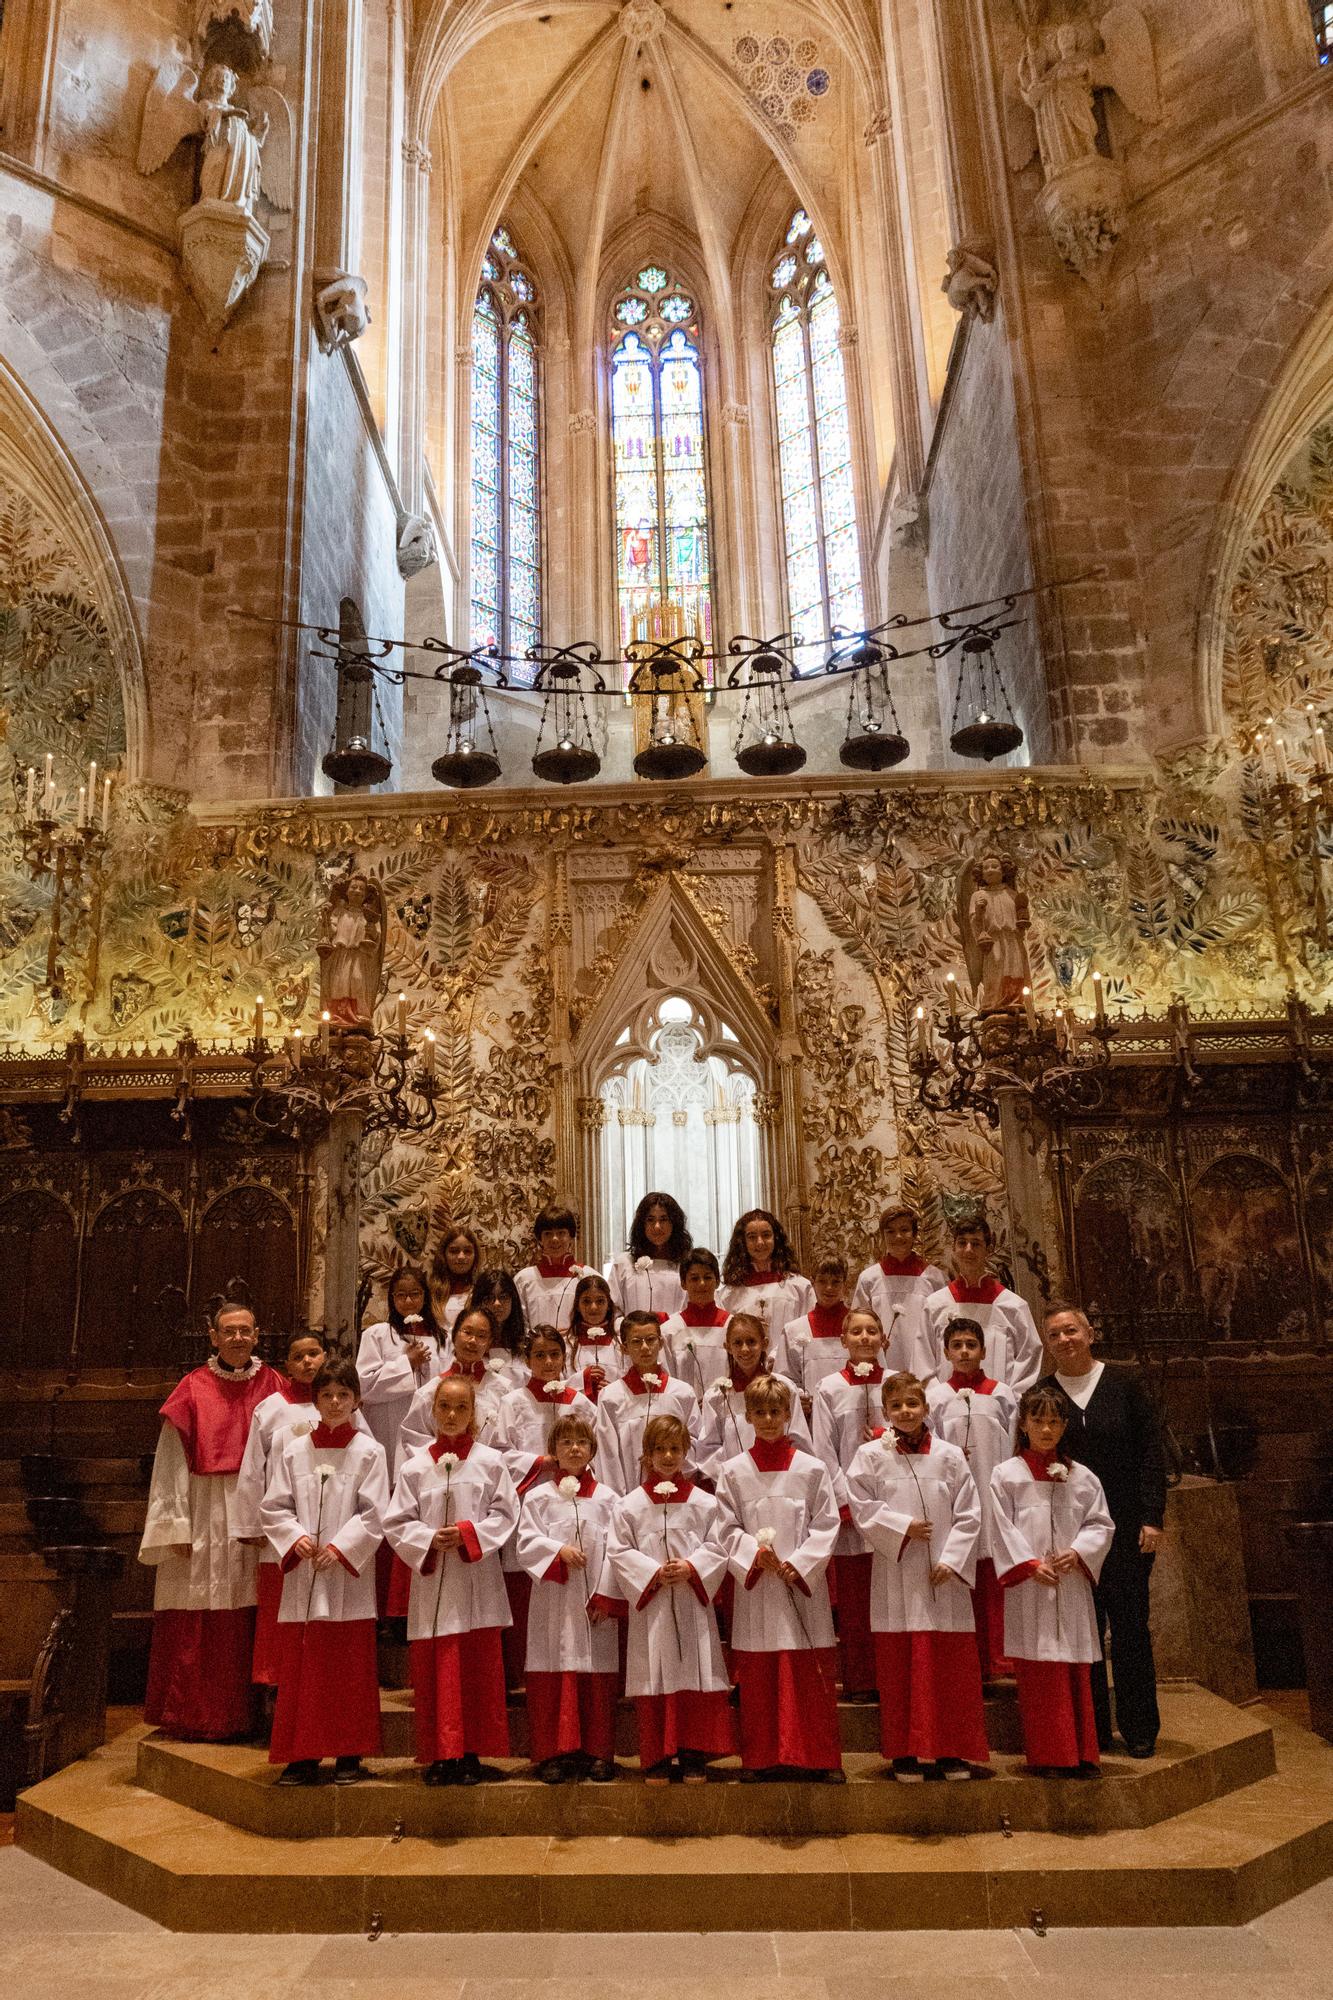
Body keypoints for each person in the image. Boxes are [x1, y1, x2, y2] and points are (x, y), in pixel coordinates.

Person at [138, 1302, 283, 1740]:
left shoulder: (275, 1385)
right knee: (201, 1611)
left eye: (245, 1331)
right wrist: (174, 1525)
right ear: (213, 1337)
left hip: (258, 1508)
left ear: (257, 1335)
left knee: (256, 1609)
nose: (237, 1338)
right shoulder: (192, 1387)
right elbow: (169, 1463)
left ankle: (253, 1714)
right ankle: (199, 1715)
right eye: (229, 1331)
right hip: (203, 1510)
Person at [846, 1372, 989, 1781]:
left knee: (949, 1668)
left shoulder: (949, 1455)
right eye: (897, 1406)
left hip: (943, 1577)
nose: (905, 1412)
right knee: (899, 1665)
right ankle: (905, 1753)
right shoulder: (872, 1455)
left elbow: (969, 1511)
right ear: (886, 1412)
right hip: (897, 1574)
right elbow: (861, 1505)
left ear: (926, 1408)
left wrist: (954, 1558)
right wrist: (902, 1527)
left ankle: (951, 1751)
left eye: (913, 1404)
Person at [1039, 1301, 1166, 1757]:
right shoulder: (1044, 1392)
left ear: (1090, 1333)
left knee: (1131, 1627)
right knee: (1084, 1630)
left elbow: (1152, 1450)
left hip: (1130, 1527)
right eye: (1054, 1335)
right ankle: (1092, 1729)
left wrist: (1153, 1516)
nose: (1064, 1340)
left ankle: (1139, 1728)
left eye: (1071, 1331)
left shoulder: (1125, 1383)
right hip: (1074, 1537)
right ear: (1046, 1344)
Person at [383, 1374, 519, 1785]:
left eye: (462, 1407)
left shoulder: (490, 1461)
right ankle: (441, 1756)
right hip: (436, 1581)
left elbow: (506, 1514)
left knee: (477, 1669)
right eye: (445, 1407)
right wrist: (427, 1538)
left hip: (477, 1578)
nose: (453, 1415)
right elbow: (396, 1522)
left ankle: (473, 1753)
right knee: (438, 1669)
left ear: (473, 1412)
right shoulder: (415, 1465)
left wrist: (467, 1535)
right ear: (432, 1411)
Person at [259, 1357, 388, 1786]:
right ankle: (303, 1754)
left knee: (349, 1666)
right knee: (305, 1667)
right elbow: (275, 1505)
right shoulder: (294, 1449)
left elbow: (375, 1513)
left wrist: (340, 1546)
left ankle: (350, 1754)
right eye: (327, 1395)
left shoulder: (369, 1452)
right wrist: (294, 1537)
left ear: (356, 1400)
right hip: (305, 1574)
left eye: (344, 1395)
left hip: (347, 1575)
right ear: (315, 1399)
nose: (335, 1403)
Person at [714, 1375, 842, 1783]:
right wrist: (755, 1554)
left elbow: (827, 1523)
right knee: (760, 1672)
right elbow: (725, 1527)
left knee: (807, 1670)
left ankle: (818, 1757)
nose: (768, 1420)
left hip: (801, 1585)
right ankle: (762, 1756)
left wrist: (800, 1562)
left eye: (776, 1412)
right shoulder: (733, 1471)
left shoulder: (812, 1468)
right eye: (760, 1413)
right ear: (747, 1416)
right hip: (759, 1588)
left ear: (789, 1414)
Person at [990, 1382, 1115, 1777]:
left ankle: (1082, 1754)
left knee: (1076, 1669)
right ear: (1023, 1424)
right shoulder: (1006, 1475)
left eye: (1055, 1422)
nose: (1046, 1430)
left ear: (1065, 1427)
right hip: (1032, 1586)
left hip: (1070, 1582)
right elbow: (1000, 1527)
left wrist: (1078, 1552)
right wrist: (1027, 1564)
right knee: (1041, 1671)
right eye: (1038, 1421)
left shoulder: (1083, 1477)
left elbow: (1100, 1523)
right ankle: (1050, 1756)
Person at [607, 1413, 736, 1783]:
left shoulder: (704, 1503)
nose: (667, 1456)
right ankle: (657, 1755)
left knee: (694, 1672)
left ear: (686, 1453)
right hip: (653, 1605)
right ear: (646, 1455)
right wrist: (652, 1572)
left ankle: (693, 1752)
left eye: (674, 1449)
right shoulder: (629, 1505)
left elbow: (718, 1544)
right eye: (659, 1449)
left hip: (692, 1601)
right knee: (656, 1674)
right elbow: (618, 1551)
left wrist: (693, 1567)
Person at [514, 1412, 624, 1782]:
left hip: (593, 1602)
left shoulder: (609, 1499)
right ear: (553, 1451)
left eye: (581, 1442)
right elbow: (526, 1543)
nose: (574, 1448)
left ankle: (597, 1751)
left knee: (596, 1672)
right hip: (554, 1601)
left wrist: (605, 1596)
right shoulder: (539, 1498)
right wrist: (556, 1551)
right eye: (565, 1442)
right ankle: (552, 1753)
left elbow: (620, 1550)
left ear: (593, 1450)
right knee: (553, 1667)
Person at [490, 1325, 596, 1690]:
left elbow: (594, 1450)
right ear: (527, 1359)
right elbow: (500, 1454)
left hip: (573, 1506)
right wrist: (542, 1462)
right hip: (529, 1501)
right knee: (525, 1582)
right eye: (540, 1356)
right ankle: (521, 1671)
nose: (548, 1362)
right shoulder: (513, 1402)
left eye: (555, 1354)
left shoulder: (579, 1403)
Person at [233, 1330, 333, 1693]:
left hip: (329, 1527)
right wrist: (251, 1523)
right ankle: (277, 1690)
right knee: (279, 1612)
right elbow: (252, 1467)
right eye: (299, 1356)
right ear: (287, 1365)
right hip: (282, 1530)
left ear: (326, 1356)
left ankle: (319, 1684)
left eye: (314, 1353)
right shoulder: (271, 1408)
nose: (308, 1362)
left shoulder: (341, 1404)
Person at [927, 1316, 1018, 1679]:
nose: (964, 1352)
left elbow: (1013, 1443)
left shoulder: (1001, 1393)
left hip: (993, 1488)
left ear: (982, 1350)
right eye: (957, 1345)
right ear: (946, 1352)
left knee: (995, 1573)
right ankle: (971, 1659)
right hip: (956, 1497)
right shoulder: (936, 1396)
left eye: (971, 1345)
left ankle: (1001, 1656)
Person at [810, 1305, 886, 1698]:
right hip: (851, 1511)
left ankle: (890, 1678)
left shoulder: (896, 1384)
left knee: (890, 1599)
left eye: (872, 1331)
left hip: (888, 1510)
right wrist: (846, 1502)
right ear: (843, 1340)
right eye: (856, 1332)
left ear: (884, 1339)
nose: (864, 1339)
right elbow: (824, 1451)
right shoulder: (829, 1388)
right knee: (856, 1605)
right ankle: (860, 1680)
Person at [922, 1215, 1042, 1391]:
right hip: (947, 1411)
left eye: (976, 1244)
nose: (968, 1250)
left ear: (988, 1249)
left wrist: (1009, 1403)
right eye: (962, 1243)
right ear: (953, 1248)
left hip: (999, 1411)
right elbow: (922, 1362)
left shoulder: (1013, 1306)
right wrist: (940, 1401)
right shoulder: (934, 1305)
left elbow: (1028, 1362)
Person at [694, 1312, 812, 1484]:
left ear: (764, 1344)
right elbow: (708, 1451)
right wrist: (736, 1474)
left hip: (783, 1478)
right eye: (737, 1343)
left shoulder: (783, 1387)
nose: (745, 1349)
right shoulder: (717, 1396)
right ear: (727, 1346)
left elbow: (799, 1438)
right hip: (737, 1481)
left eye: (751, 1342)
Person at [593, 1310, 698, 1495]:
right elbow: (607, 1455)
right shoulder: (611, 1397)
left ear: (661, 1343)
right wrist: (619, 1501)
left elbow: (696, 1444)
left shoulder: (681, 1393)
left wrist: (679, 1483)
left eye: (650, 1339)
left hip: (676, 1493)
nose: (644, 1347)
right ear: (624, 1348)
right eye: (636, 1341)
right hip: (630, 1498)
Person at [355, 1268, 446, 1471]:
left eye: (415, 1294)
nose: (408, 1301)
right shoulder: (377, 1334)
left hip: (428, 1425)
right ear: (392, 1298)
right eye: (401, 1295)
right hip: (388, 1426)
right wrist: (407, 1364)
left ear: (425, 1295)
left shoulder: (442, 1338)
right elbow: (363, 1385)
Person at [398, 1304, 509, 1471]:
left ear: (489, 1343)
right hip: (441, 1476)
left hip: (487, 1476)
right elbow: (414, 1437)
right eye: (467, 1332)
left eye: (481, 1335)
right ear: (454, 1334)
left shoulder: (504, 1390)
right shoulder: (430, 1391)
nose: (473, 1341)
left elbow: (509, 1443)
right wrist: (448, 1459)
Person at [851, 1206, 948, 1377]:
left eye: (904, 1230)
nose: (898, 1237)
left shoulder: (934, 1278)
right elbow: (857, 1324)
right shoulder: (869, 1279)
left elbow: (943, 1328)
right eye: (890, 1231)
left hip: (927, 1366)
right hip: (881, 1368)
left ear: (915, 1234)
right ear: (883, 1235)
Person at [718, 1207, 815, 1343]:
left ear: (776, 1238)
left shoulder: (799, 1287)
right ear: (743, 1242)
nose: (760, 1242)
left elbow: (806, 1332)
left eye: (766, 1235)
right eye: (752, 1237)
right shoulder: (729, 1295)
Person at [774, 1253, 853, 1410]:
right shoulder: (794, 1330)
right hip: (812, 1416)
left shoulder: (858, 1327)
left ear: (845, 1283)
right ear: (812, 1282)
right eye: (822, 1281)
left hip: (852, 1410)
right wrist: (797, 1398)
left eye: (836, 1282)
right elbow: (783, 1378)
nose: (829, 1288)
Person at [660, 1249, 731, 1401]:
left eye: (707, 1277)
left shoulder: (731, 1326)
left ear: (717, 1281)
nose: (702, 1284)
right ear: (683, 1283)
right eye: (694, 1278)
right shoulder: (669, 1330)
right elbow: (667, 1378)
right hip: (684, 1409)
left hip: (726, 1408)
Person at [606, 1191, 690, 1319]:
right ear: (641, 1224)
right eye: (650, 1220)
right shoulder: (625, 1263)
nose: (657, 1226)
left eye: (663, 1219)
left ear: (674, 1223)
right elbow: (613, 1311)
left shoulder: (686, 1264)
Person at [515, 1204, 596, 1331]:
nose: (554, 1239)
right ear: (539, 1239)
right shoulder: (524, 1279)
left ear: (571, 1236)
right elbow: (519, 1324)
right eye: (548, 1234)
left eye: (561, 1233)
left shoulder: (588, 1276)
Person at [567, 1272, 623, 1402]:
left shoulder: (621, 1345)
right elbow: (556, 1385)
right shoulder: (566, 1344)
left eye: (600, 1301)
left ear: (609, 1305)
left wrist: (613, 1391)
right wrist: (582, 1380)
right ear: (577, 1305)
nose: (593, 1307)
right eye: (586, 1301)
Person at [464, 1267, 526, 1381]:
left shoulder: (525, 1344)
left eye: (503, 1297)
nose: (497, 1304)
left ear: (513, 1300)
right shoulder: (467, 1341)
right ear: (479, 1301)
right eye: (489, 1298)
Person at [431, 1226, 483, 1338]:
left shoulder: (482, 1290)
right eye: (454, 1251)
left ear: (475, 1255)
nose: (461, 1257)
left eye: (467, 1251)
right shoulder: (431, 1292)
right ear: (443, 1254)